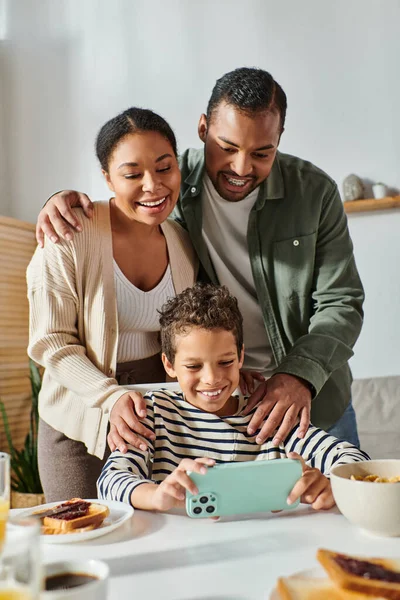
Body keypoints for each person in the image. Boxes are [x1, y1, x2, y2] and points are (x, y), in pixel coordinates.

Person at [35, 67, 365, 449]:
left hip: (311, 398)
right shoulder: (171, 182)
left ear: (279, 139)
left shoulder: (314, 192)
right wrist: (58, 199)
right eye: (227, 148)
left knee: (341, 505)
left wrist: (298, 376)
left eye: (262, 153)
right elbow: (126, 194)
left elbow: (342, 302)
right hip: (217, 401)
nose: (241, 168)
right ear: (203, 128)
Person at [27, 107, 197, 501]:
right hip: (77, 419)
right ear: (107, 178)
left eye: (163, 167)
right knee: (82, 539)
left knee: (163, 543)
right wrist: (111, 396)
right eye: (132, 174)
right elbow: (50, 342)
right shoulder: (67, 235)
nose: (152, 186)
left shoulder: (183, 243)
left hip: (154, 421)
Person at [97, 284, 369, 513]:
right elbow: (110, 481)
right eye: (193, 367)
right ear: (169, 364)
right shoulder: (154, 413)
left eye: (225, 362)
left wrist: (331, 483)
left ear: (240, 356)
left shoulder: (267, 415)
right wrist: (156, 496)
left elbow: (354, 460)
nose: (212, 379)